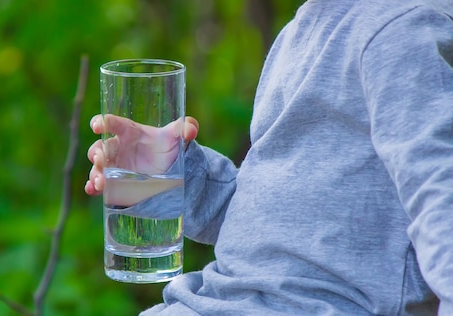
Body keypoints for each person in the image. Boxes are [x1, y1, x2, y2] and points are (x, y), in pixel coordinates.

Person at [86, 0, 453, 314]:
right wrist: (170, 174)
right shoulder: (303, 29)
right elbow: (272, 226)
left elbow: (442, 199)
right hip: (212, 300)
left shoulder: (400, 29)